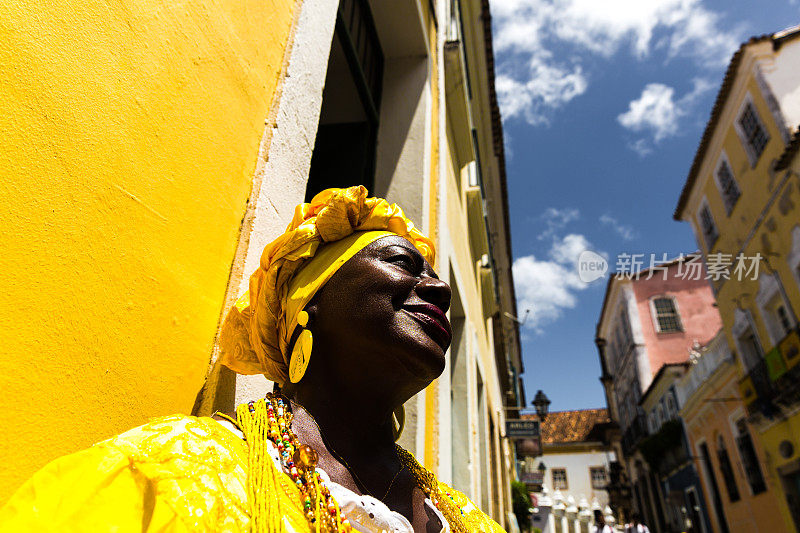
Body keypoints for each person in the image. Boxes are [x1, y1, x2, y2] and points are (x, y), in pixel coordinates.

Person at [0, 186, 506, 532]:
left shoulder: (465, 517)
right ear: (308, 302)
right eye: (400, 262)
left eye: (436, 277)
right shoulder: (175, 470)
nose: (439, 290)